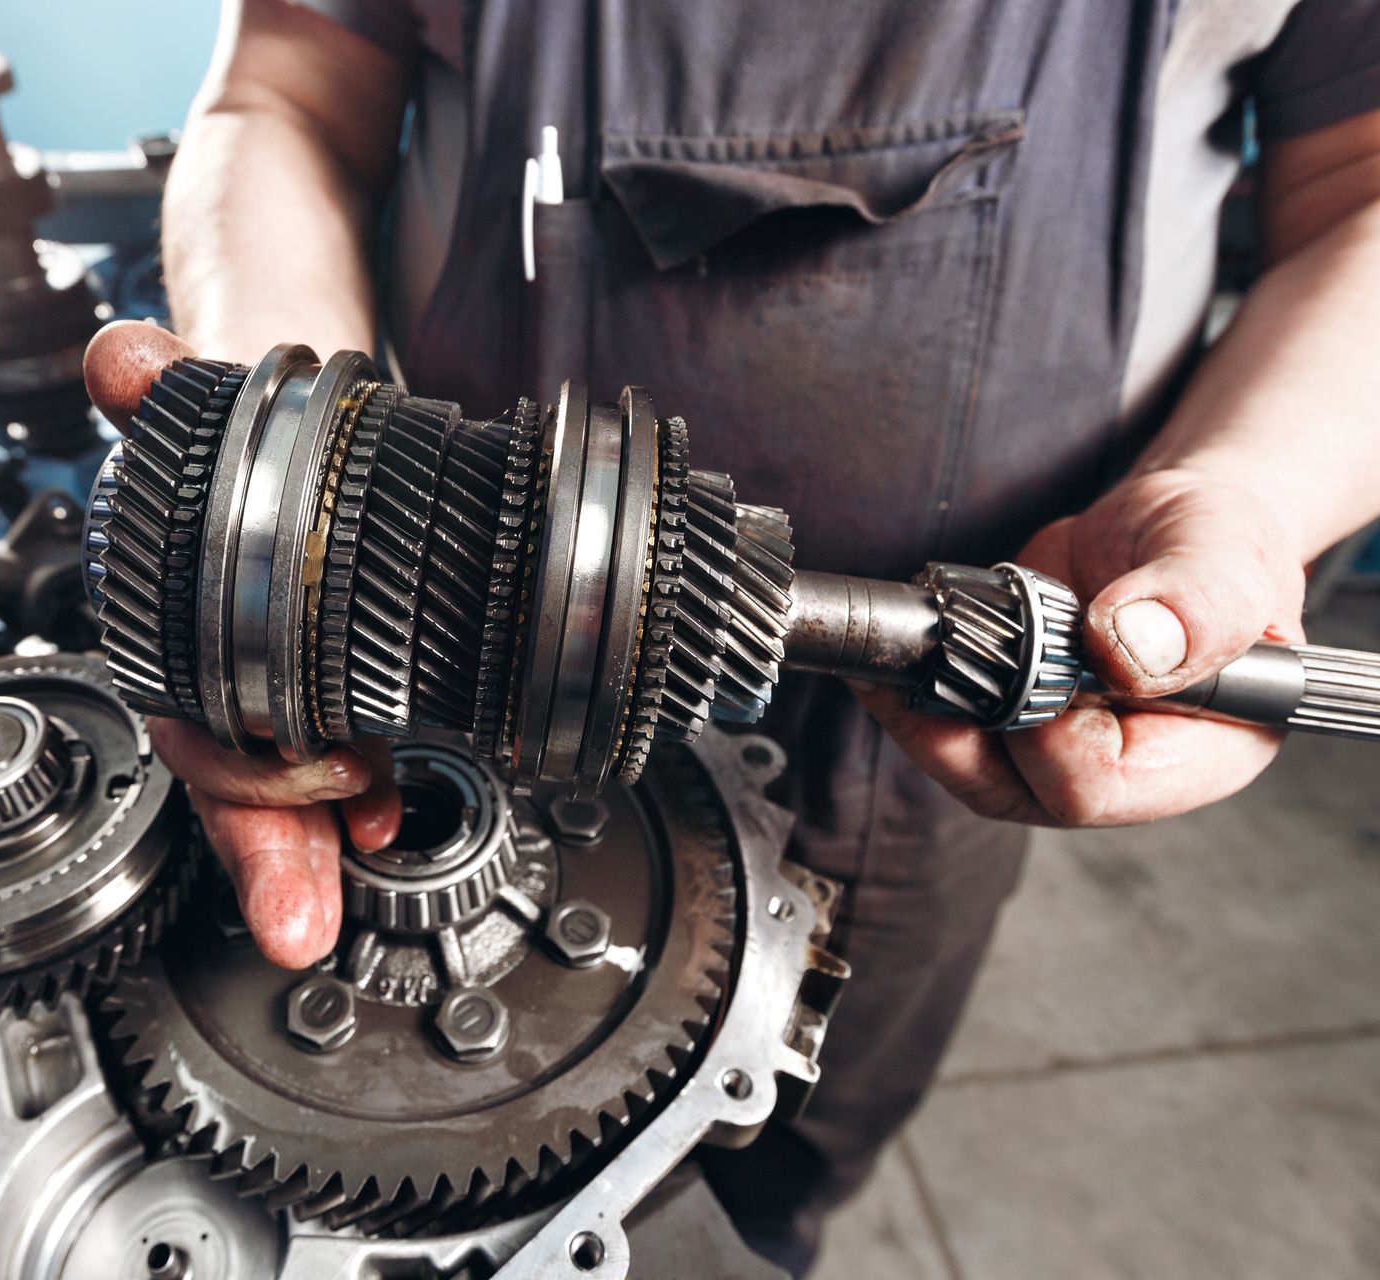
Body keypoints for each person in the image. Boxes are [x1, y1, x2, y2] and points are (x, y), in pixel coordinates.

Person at [83, 1, 1380, 1271]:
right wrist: (294, 513)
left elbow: (1361, 179)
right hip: (436, 660)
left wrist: (1245, 495)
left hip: (933, 747)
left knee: (767, 1172)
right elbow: (288, 93)